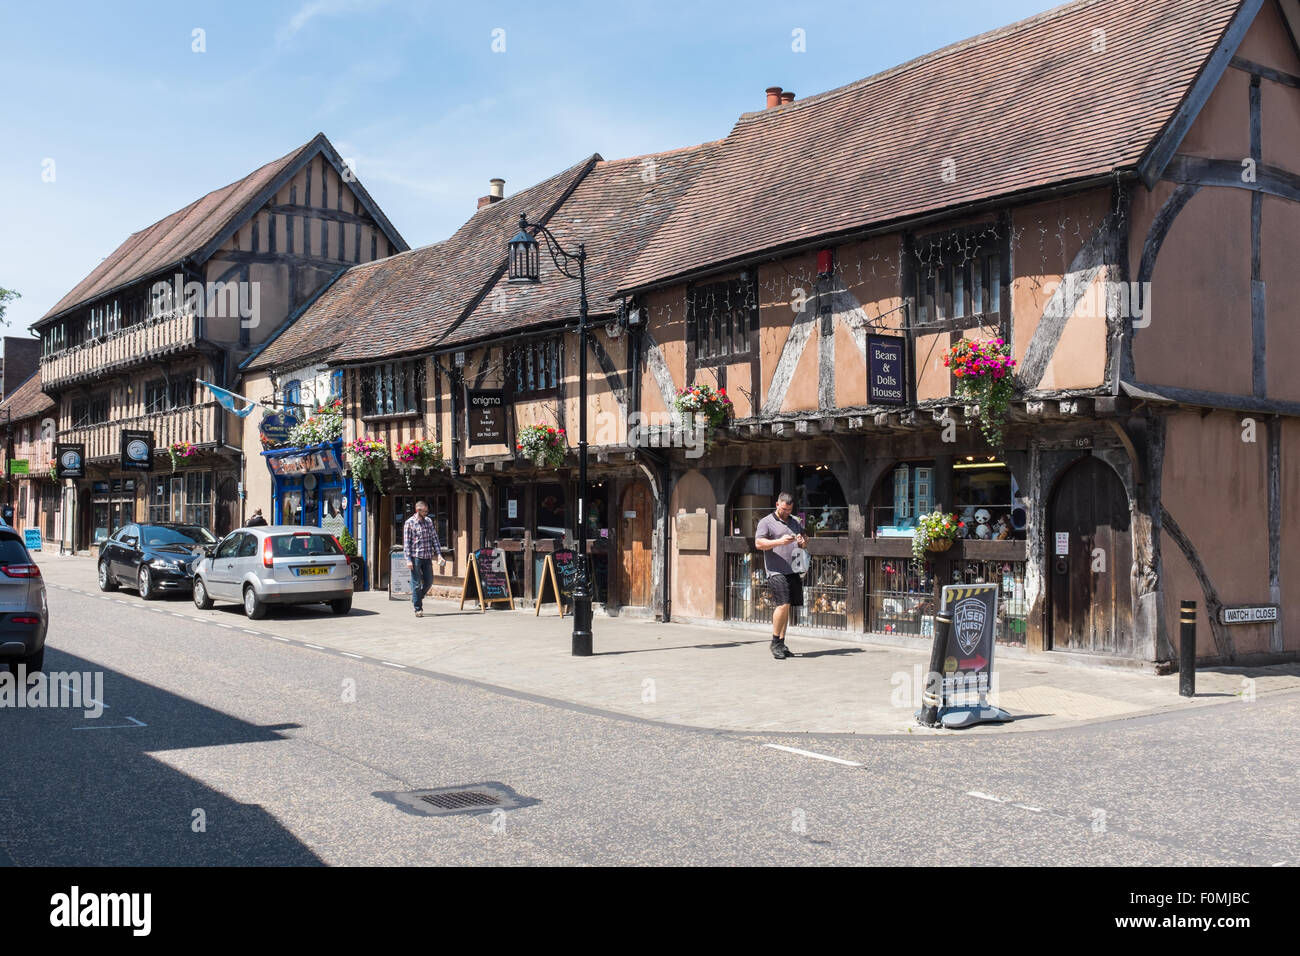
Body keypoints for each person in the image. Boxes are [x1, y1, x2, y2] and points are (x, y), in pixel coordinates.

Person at [754, 492, 807, 660]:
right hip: (775, 570)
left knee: (788, 606)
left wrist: (802, 540)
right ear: (777, 504)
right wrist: (779, 541)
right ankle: (775, 642)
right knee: (783, 604)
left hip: (793, 569)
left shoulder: (795, 521)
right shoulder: (766, 522)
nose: (786, 512)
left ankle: (782, 643)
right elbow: (758, 543)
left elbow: (805, 540)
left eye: (789, 510)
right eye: (784, 509)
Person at [403, 500, 445, 618]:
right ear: (418, 510)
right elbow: (407, 543)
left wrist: (439, 554)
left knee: (429, 581)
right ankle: (418, 608)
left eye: (427, 511)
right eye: (425, 511)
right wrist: (408, 559)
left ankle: (417, 597)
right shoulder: (409, 523)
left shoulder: (428, 521)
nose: (427, 513)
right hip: (415, 557)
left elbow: (434, 539)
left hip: (427, 557)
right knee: (416, 584)